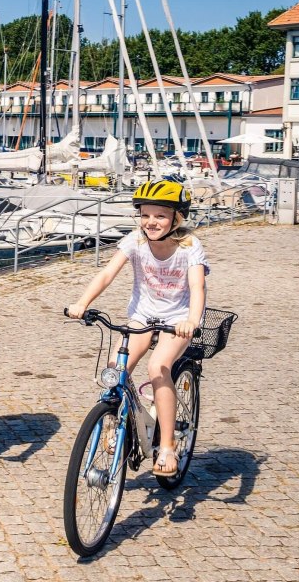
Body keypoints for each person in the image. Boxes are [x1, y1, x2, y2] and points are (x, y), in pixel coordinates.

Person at [66, 180, 208, 477]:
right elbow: (106, 274)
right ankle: (114, 425)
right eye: (145, 215)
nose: (151, 222)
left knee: (158, 368)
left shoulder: (189, 247)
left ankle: (166, 445)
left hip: (176, 319)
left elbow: (197, 286)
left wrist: (192, 322)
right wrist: (81, 303)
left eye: (160, 216)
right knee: (115, 369)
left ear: (176, 218)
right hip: (142, 316)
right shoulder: (135, 241)